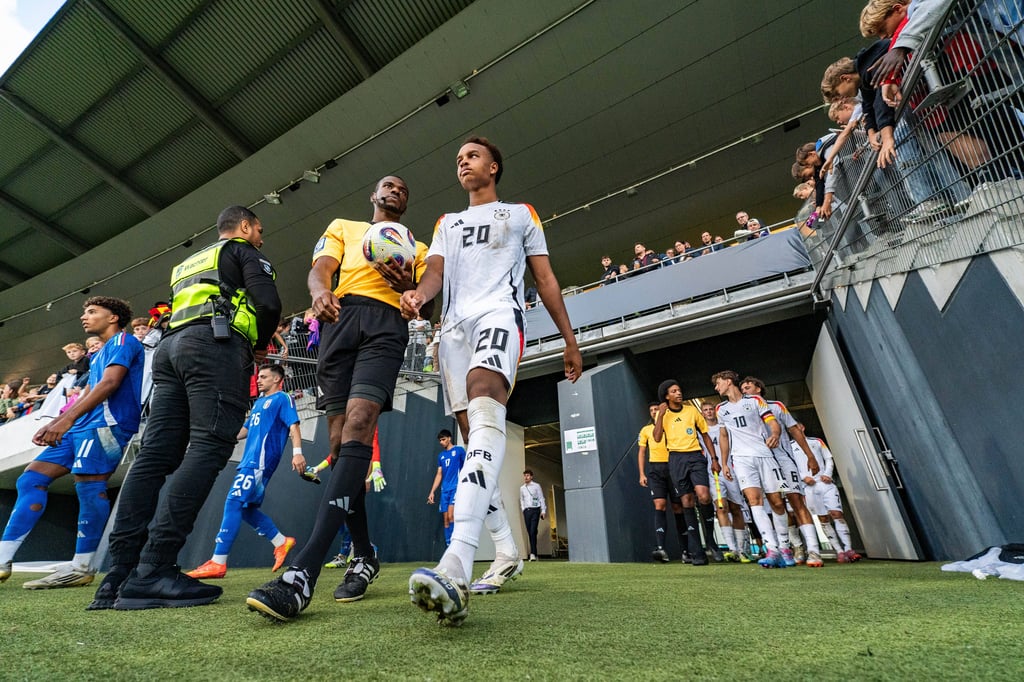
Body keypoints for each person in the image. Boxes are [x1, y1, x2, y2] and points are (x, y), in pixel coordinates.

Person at [402, 136, 582, 626]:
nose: (463, 162)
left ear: (494, 166)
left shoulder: (521, 213)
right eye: (458, 158)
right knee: (473, 440)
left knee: (485, 399)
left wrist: (569, 339)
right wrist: (419, 295)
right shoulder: (447, 222)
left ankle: (457, 559)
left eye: (472, 156)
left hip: (500, 315)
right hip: (452, 332)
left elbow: (544, 279)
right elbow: (435, 271)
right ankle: (505, 551)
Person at [245, 176, 426, 622]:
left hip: (385, 328)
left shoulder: (417, 249)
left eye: (403, 188)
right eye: (386, 185)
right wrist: (319, 292)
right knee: (341, 449)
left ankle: (302, 573)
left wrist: (413, 293)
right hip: (340, 323)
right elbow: (320, 268)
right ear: (373, 195)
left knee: (361, 422)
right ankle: (364, 554)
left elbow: (424, 298)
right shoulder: (344, 226)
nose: (394, 190)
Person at [89, 206, 281, 611]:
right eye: (259, 230)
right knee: (209, 447)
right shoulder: (244, 250)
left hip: (172, 350)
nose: (262, 238)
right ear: (244, 227)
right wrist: (261, 345)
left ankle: (119, 575)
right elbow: (267, 303)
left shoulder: (189, 262)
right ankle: (155, 568)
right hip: (215, 348)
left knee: (156, 455)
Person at [0, 297, 144, 588]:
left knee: (89, 484)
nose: (84, 317)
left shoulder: (124, 342)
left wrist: (65, 421)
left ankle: (81, 566)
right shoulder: (99, 353)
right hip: (82, 426)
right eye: (84, 312)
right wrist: (57, 423)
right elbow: (89, 389)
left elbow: (108, 384)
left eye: (92, 312)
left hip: (109, 425)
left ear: (114, 317)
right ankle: (2, 560)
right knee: (30, 480)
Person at [185, 365, 305, 580]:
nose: (258, 380)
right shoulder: (259, 402)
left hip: (260, 461)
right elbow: (245, 430)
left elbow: (294, 426)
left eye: (264, 377)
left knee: (233, 502)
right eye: (258, 376)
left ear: (278, 379)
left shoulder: (282, 399)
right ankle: (281, 542)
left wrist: (297, 453)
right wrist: (220, 437)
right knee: (247, 508)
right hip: (250, 461)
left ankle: (218, 561)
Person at [739, 376, 824, 567]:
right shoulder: (741, 410)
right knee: (776, 504)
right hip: (763, 462)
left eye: (748, 386)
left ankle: (814, 550)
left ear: (759, 389)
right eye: (742, 388)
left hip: (784, 461)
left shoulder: (776, 406)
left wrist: (810, 455)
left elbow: (794, 430)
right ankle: (794, 547)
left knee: (796, 502)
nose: (744, 390)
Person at [711, 370, 789, 569]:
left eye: (718, 383)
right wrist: (726, 462)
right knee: (755, 501)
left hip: (764, 455)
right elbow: (724, 437)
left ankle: (785, 546)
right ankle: (772, 549)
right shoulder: (721, 409)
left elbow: (772, 421)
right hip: (742, 460)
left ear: (728, 382)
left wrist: (775, 433)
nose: (716, 387)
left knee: (777, 502)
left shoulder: (755, 400)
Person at [652, 380, 718, 565]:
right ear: (666, 396)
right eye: (674, 391)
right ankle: (697, 552)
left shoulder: (691, 410)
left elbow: (705, 434)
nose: (678, 393)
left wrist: (714, 459)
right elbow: (657, 438)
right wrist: (661, 414)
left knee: (704, 496)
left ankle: (711, 541)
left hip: (695, 456)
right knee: (687, 501)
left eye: (679, 390)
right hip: (676, 459)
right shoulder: (662, 414)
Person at [795, 423, 861, 563]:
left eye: (797, 426)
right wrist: (803, 477)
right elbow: (791, 466)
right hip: (808, 487)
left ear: (802, 427)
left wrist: (827, 474)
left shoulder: (817, 441)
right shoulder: (790, 446)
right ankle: (839, 551)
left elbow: (828, 459)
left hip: (825, 484)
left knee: (837, 514)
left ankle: (849, 548)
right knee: (823, 518)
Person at [638, 402, 691, 563]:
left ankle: (685, 551)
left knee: (677, 507)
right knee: (659, 504)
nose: (654, 412)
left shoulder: (671, 426)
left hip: (673, 467)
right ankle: (661, 548)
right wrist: (641, 473)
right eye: (651, 410)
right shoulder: (646, 430)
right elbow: (641, 452)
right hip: (655, 470)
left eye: (656, 409)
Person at [700, 401, 747, 562]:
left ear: (715, 411)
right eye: (705, 410)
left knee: (736, 508)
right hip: (712, 473)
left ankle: (743, 549)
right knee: (721, 507)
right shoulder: (701, 432)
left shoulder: (725, 426)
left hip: (731, 470)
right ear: (702, 413)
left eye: (711, 409)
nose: (709, 412)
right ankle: (732, 549)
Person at [427, 429, 465, 548]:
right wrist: (432, 491)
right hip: (445, 489)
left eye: (443, 439)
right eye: (440, 440)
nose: (441, 442)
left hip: (456, 487)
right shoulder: (441, 456)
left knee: (451, 516)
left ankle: (455, 546)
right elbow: (439, 474)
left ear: (449, 438)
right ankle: (448, 547)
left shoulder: (459, 450)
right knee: (446, 520)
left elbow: (466, 467)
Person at [519, 469, 547, 562]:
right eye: (525, 475)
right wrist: (523, 509)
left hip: (535, 510)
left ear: (531, 477)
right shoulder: (522, 488)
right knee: (530, 532)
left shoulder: (536, 486)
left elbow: (541, 498)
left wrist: (543, 510)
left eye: (527, 475)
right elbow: (522, 499)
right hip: (527, 511)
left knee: (532, 531)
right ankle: (535, 553)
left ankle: (532, 554)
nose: (526, 477)